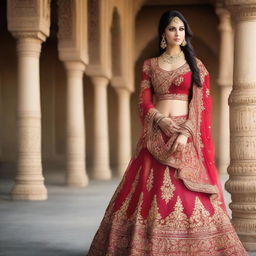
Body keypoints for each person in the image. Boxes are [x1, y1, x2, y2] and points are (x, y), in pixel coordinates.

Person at [87, 10, 248, 256]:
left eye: (181, 29)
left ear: (185, 34)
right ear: (163, 33)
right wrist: (161, 121)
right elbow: (143, 102)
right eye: (172, 28)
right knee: (145, 196)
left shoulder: (196, 66)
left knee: (187, 195)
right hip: (155, 135)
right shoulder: (150, 65)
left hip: (184, 135)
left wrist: (185, 133)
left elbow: (201, 105)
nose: (177, 33)